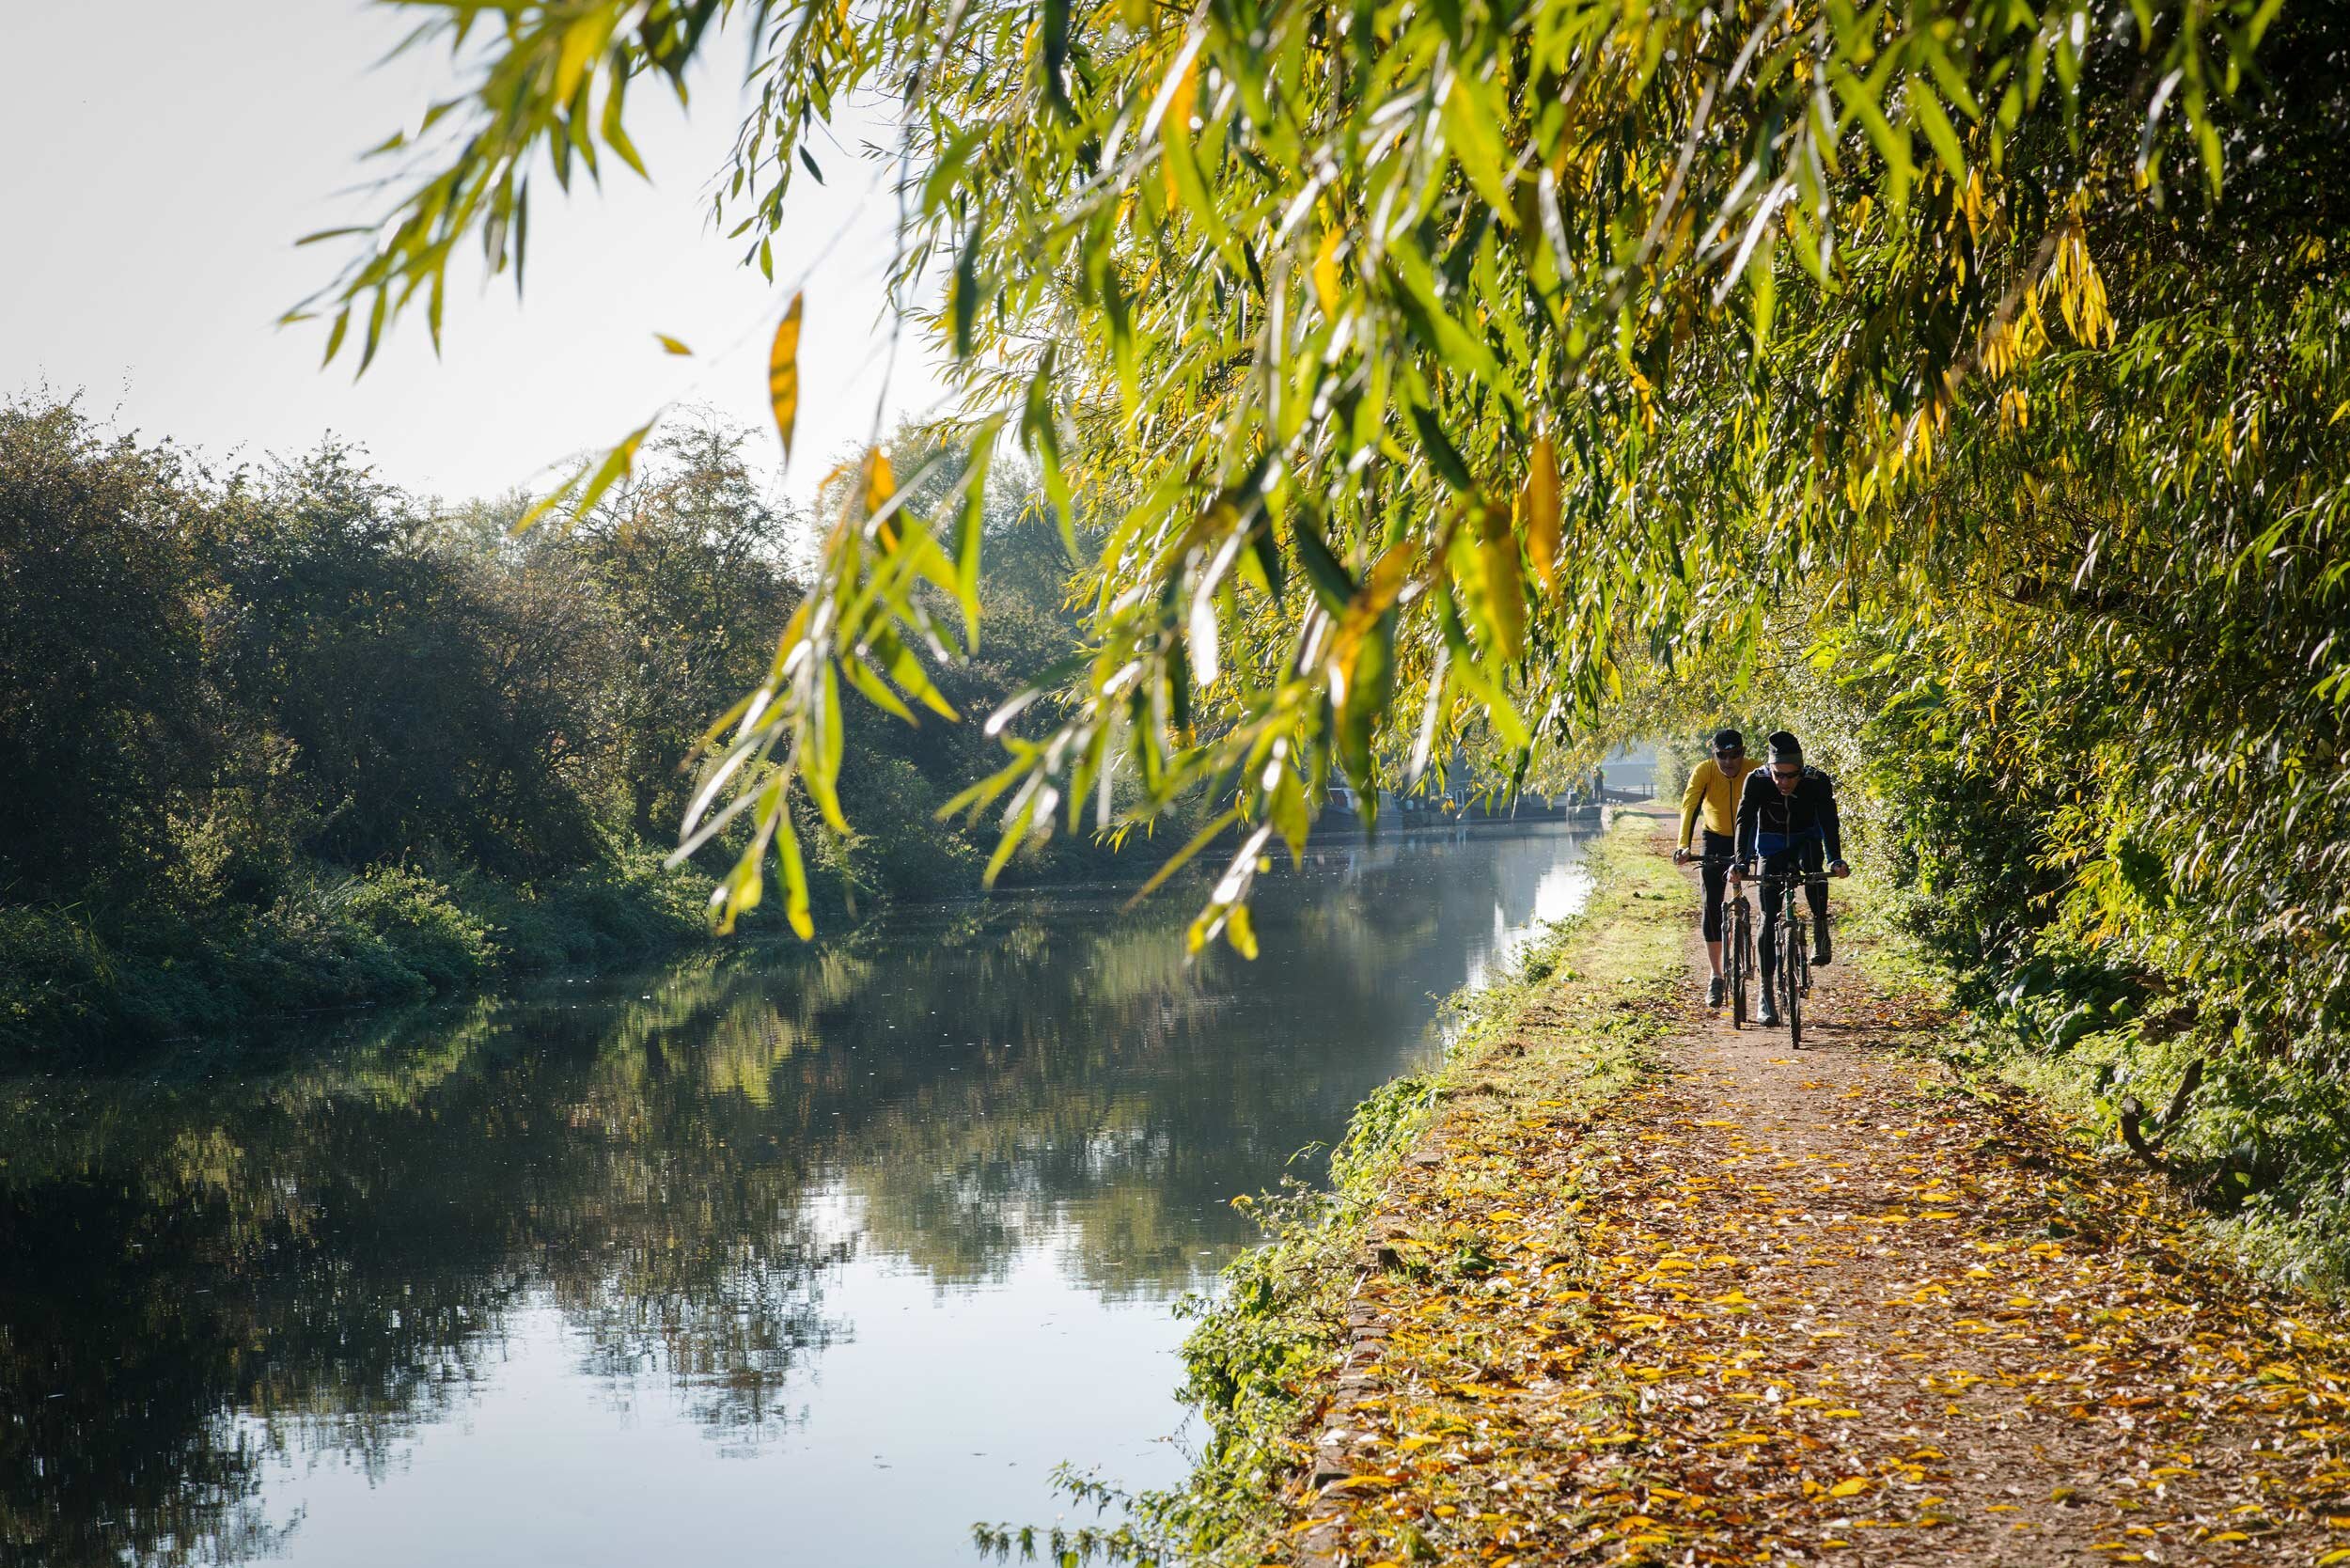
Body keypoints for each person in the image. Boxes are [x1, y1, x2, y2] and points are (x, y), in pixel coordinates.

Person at [1731, 730, 1849, 1027]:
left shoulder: (1816, 781)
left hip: (1805, 841)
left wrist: (1835, 858)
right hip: (1771, 847)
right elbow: (1744, 821)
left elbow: (1828, 820)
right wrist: (1742, 861)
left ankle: (1820, 927)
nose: (1783, 783)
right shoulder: (1757, 781)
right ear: (1770, 769)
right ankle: (1766, 995)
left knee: (1813, 867)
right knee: (1768, 918)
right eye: (1777, 776)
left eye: (1790, 776)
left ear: (1801, 769)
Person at [1672, 729, 1762, 1008]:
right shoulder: (1704, 771)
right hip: (1715, 836)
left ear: (1743, 753)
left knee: (1774, 889)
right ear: (1714, 754)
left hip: (1749, 838)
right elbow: (1690, 807)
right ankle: (1716, 975)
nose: (1729, 762)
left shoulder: (1756, 770)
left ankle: (1775, 968)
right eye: (1722, 756)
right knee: (1711, 903)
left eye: (1735, 755)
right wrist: (1683, 846)